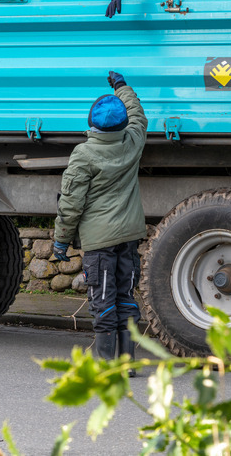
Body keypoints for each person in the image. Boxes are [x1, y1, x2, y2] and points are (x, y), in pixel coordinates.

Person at [52, 71, 147, 372]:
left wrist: (61, 239)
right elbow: (138, 114)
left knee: (103, 301)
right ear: (123, 125)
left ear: (91, 124)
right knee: (126, 297)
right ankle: (127, 362)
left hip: (99, 244)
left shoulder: (84, 154)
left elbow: (71, 204)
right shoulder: (133, 141)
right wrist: (122, 87)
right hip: (129, 238)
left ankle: (107, 366)